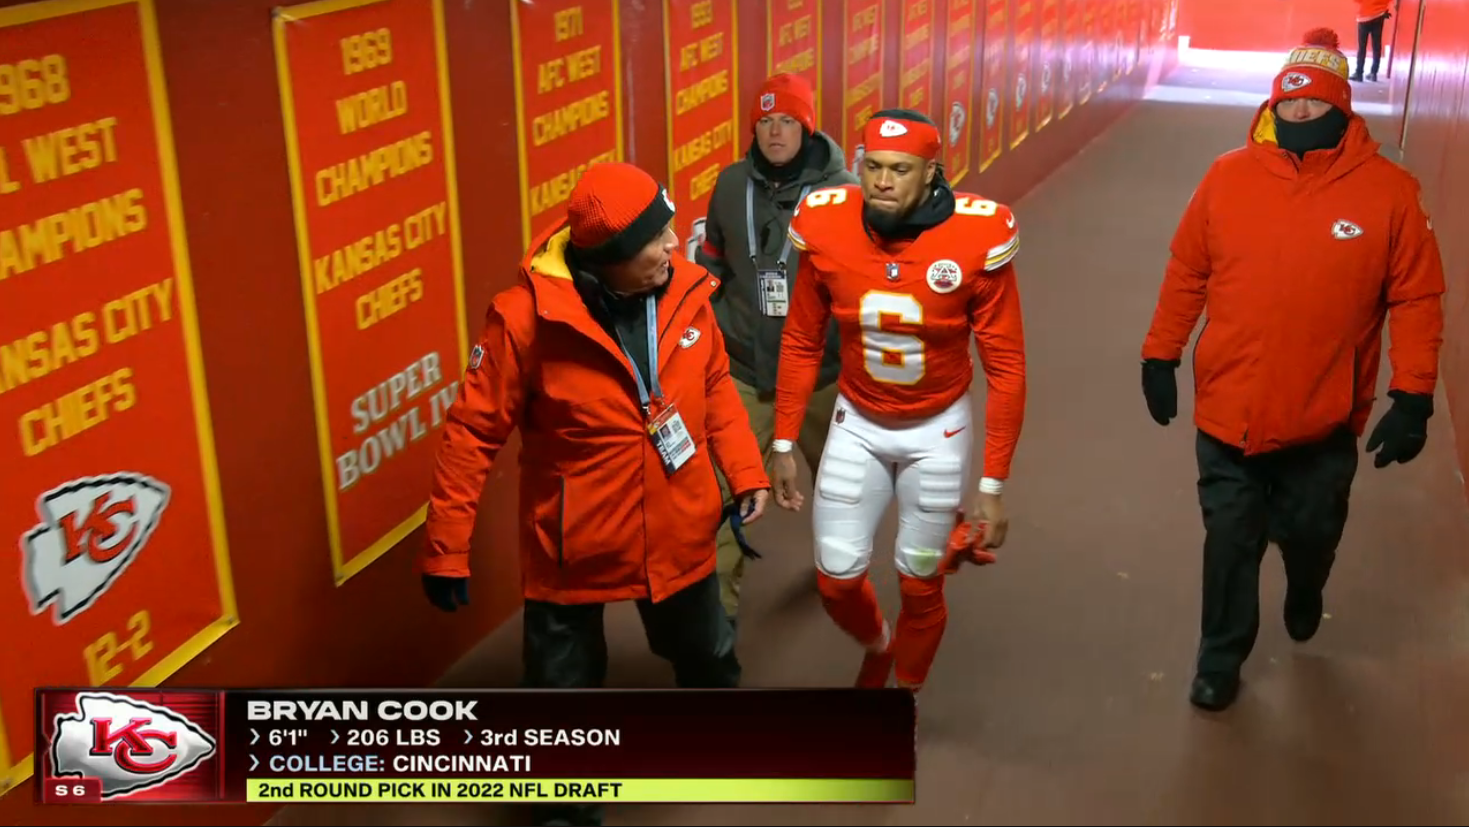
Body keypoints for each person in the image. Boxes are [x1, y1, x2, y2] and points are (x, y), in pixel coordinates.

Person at [416, 162, 772, 825]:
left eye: (669, 232)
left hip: (678, 523)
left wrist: (744, 470)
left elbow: (716, 384)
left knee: (704, 650)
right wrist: (446, 548)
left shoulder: (688, 289)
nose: (674, 247)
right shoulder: (524, 320)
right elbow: (470, 435)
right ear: (607, 258)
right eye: (655, 241)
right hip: (569, 539)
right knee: (559, 690)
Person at [1140, 28, 1445, 713]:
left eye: (1311, 104)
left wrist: (1413, 396)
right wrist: (1159, 351)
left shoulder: (1390, 194)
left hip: (1321, 420)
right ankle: (1219, 656)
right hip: (1228, 410)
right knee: (1228, 541)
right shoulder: (1227, 176)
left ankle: (1307, 582)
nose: (1297, 115)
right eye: (1287, 103)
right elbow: (1188, 269)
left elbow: (1416, 297)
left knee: (1310, 531)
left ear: (1341, 105)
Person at [770, 109, 1029, 692]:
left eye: (901, 169)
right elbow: (802, 337)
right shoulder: (826, 223)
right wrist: (784, 439)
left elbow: (1007, 368)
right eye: (874, 166)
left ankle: (902, 699)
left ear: (932, 173)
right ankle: (879, 646)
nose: (883, 180)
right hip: (856, 419)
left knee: (919, 581)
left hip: (936, 430)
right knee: (836, 578)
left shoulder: (975, 237)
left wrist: (992, 485)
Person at [694, 72, 857, 631]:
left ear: (808, 125)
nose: (774, 132)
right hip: (744, 370)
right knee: (720, 496)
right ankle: (719, 619)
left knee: (840, 489)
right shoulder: (730, 184)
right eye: (764, 121)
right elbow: (711, 265)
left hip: (823, 374)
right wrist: (709, 331)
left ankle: (840, 572)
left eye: (787, 120)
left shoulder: (847, 194)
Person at [1351, 0, 1392, 82]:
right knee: (1376, 46)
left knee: (1362, 47)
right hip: (1379, 15)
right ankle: (1373, 73)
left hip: (1364, 16)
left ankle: (1359, 73)